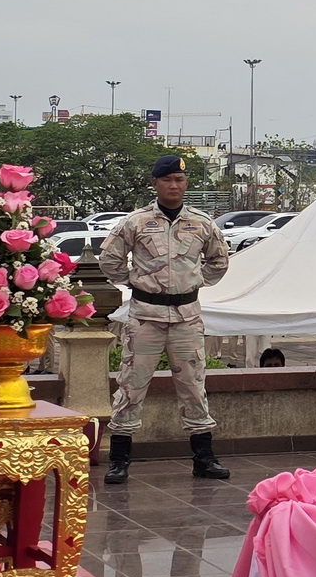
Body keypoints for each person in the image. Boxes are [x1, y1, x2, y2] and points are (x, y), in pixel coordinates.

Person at [97, 154, 233, 485]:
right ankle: (119, 459)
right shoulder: (136, 221)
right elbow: (109, 259)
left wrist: (194, 280)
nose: (174, 185)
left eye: (180, 180)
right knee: (131, 385)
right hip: (146, 317)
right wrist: (135, 281)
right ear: (155, 184)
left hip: (186, 317)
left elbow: (219, 260)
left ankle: (204, 458)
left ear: (186, 184)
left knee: (193, 385)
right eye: (167, 180)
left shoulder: (201, 222)